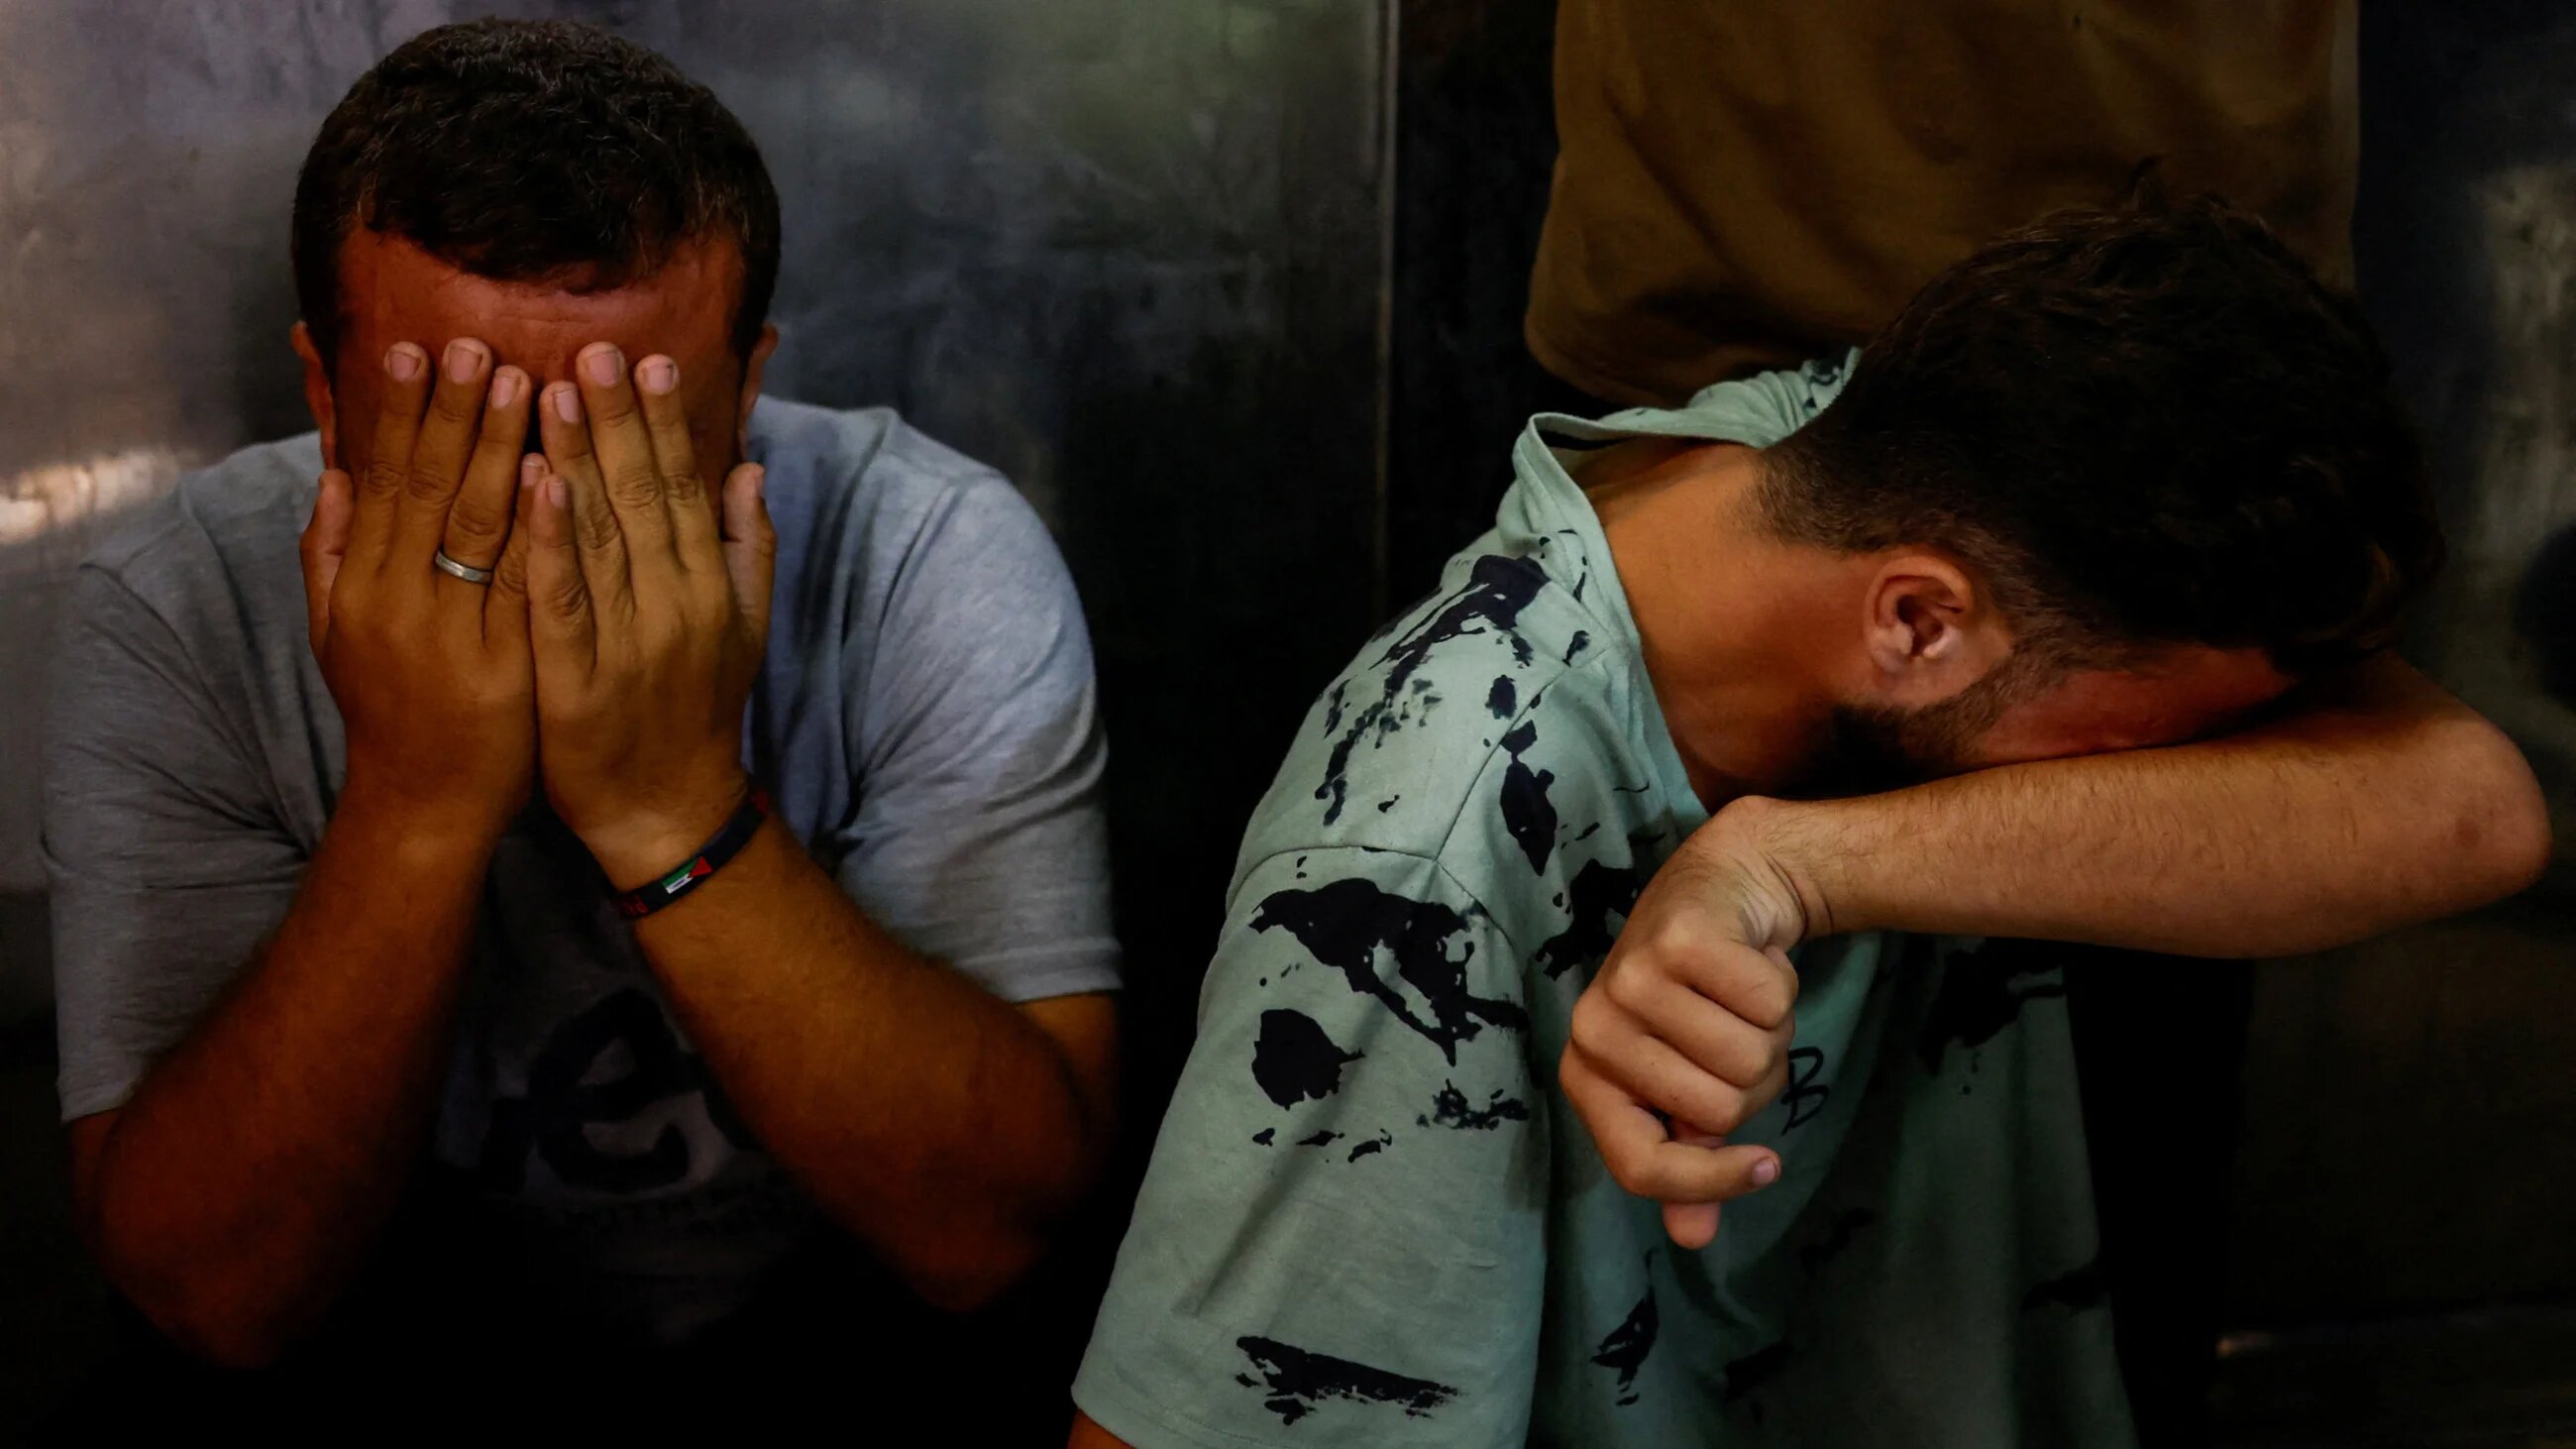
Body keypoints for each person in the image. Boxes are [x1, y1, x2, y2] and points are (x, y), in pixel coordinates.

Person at [1069, 193, 2547, 1446]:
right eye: (2145, 739)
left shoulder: (1848, 450)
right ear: (1918, 622)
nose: (2157, 779)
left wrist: (1789, 862)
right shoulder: (1424, 844)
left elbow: (2474, 810)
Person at [41, 18, 1118, 1417]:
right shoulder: (178, 604)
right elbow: (211, 1298)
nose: (538, 512)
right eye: (460, 439)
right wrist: (416, 802)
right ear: (323, 392)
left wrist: (672, 803)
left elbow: (991, 1236)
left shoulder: (926, 554)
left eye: (626, 443)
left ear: (747, 386)